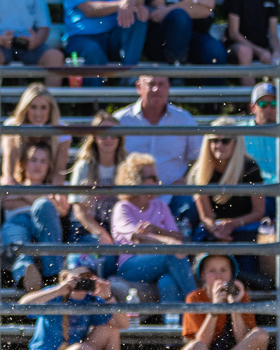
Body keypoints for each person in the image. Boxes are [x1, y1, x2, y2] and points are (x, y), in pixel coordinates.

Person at [22, 264, 154, 350]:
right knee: (81, 349)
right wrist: (59, 290)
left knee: (110, 330)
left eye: (88, 279)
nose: (83, 282)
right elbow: (24, 305)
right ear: (67, 278)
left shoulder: (92, 300)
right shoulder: (54, 294)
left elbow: (123, 324)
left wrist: (108, 297)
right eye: (79, 278)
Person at [168, 253, 267, 350]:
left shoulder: (241, 297)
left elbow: (243, 341)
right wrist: (215, 307)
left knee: (261, 335)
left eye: (223, 270)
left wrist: (235, 307)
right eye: (212, 271)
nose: (218, 276)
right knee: (196, 347)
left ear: (232, 274)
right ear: (202, 276)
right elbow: (201, 343)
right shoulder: (194, 298)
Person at [114, 76, 202, 226]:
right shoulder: (121, 120)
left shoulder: (183, 120)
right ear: (138, 87)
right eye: (151, 84)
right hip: (132, 197)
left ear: (168, 88)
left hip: (175, 195)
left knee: (191, 204)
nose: (156, 89)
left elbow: (200, 158)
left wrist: (187, 179)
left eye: (161, 84)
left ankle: (185, 248)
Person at [111, 152, 197, 304]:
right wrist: (166, 241)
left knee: (167, 282)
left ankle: (176, 326)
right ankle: (199, 304)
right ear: (135, 181)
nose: (159, 182)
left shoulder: (161, 206)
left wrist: (157, 230)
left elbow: (178, 237)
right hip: (131, 266)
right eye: (153, 178)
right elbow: (137, 236)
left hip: (160, 261)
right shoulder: (122, 207)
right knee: (172, 255)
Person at [187, 118, 266, 281]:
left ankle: (248, 295)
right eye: (214, 140)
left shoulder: (250, 168)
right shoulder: (199, 171)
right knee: (202, 247)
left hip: (244, 226)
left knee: (246, 262)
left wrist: (233, 224)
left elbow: (259, 211)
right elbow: (206, 216)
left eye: (225, 140)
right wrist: (217, 231)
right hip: (216, 229)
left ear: (236, 143)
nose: (219, 145)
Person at [0, 140, 69, 291]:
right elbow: (7, 202)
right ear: (24, 163)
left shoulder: (54, 188)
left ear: (49, 166)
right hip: (17, 221)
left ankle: (53, 276)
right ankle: (27, 277)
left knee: (43, 207)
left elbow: (62, 210)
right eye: (33, 160)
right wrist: (44, 198)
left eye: (43, 161)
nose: (38, 165)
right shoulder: (10, 183)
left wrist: (21, 194)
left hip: (44, 226)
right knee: (16, 240)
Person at [67, 111, 127, 275]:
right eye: (103, 134)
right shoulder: (84, 167)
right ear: (94, 137)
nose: (108, 139)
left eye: (113, 134)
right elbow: (79, 210)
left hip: (118, 228)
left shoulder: (126, 166)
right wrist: (100, 233)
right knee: (105, 255)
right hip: (87, 229)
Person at [0, 83, 70, 185]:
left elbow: (59, 172)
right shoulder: (12, 127)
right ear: (25, 109)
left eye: (43, 107)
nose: (38, 113)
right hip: (18, 186)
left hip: (48, 188)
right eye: (33, 107)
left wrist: (53, 195)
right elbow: (8, 173)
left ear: (50, 110)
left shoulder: (61, 130)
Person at [242, 82, 278, 191]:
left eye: (273, 104)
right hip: (253, 191)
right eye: (263, 104)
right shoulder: (241, 133)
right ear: (253, 107)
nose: (268, 109)